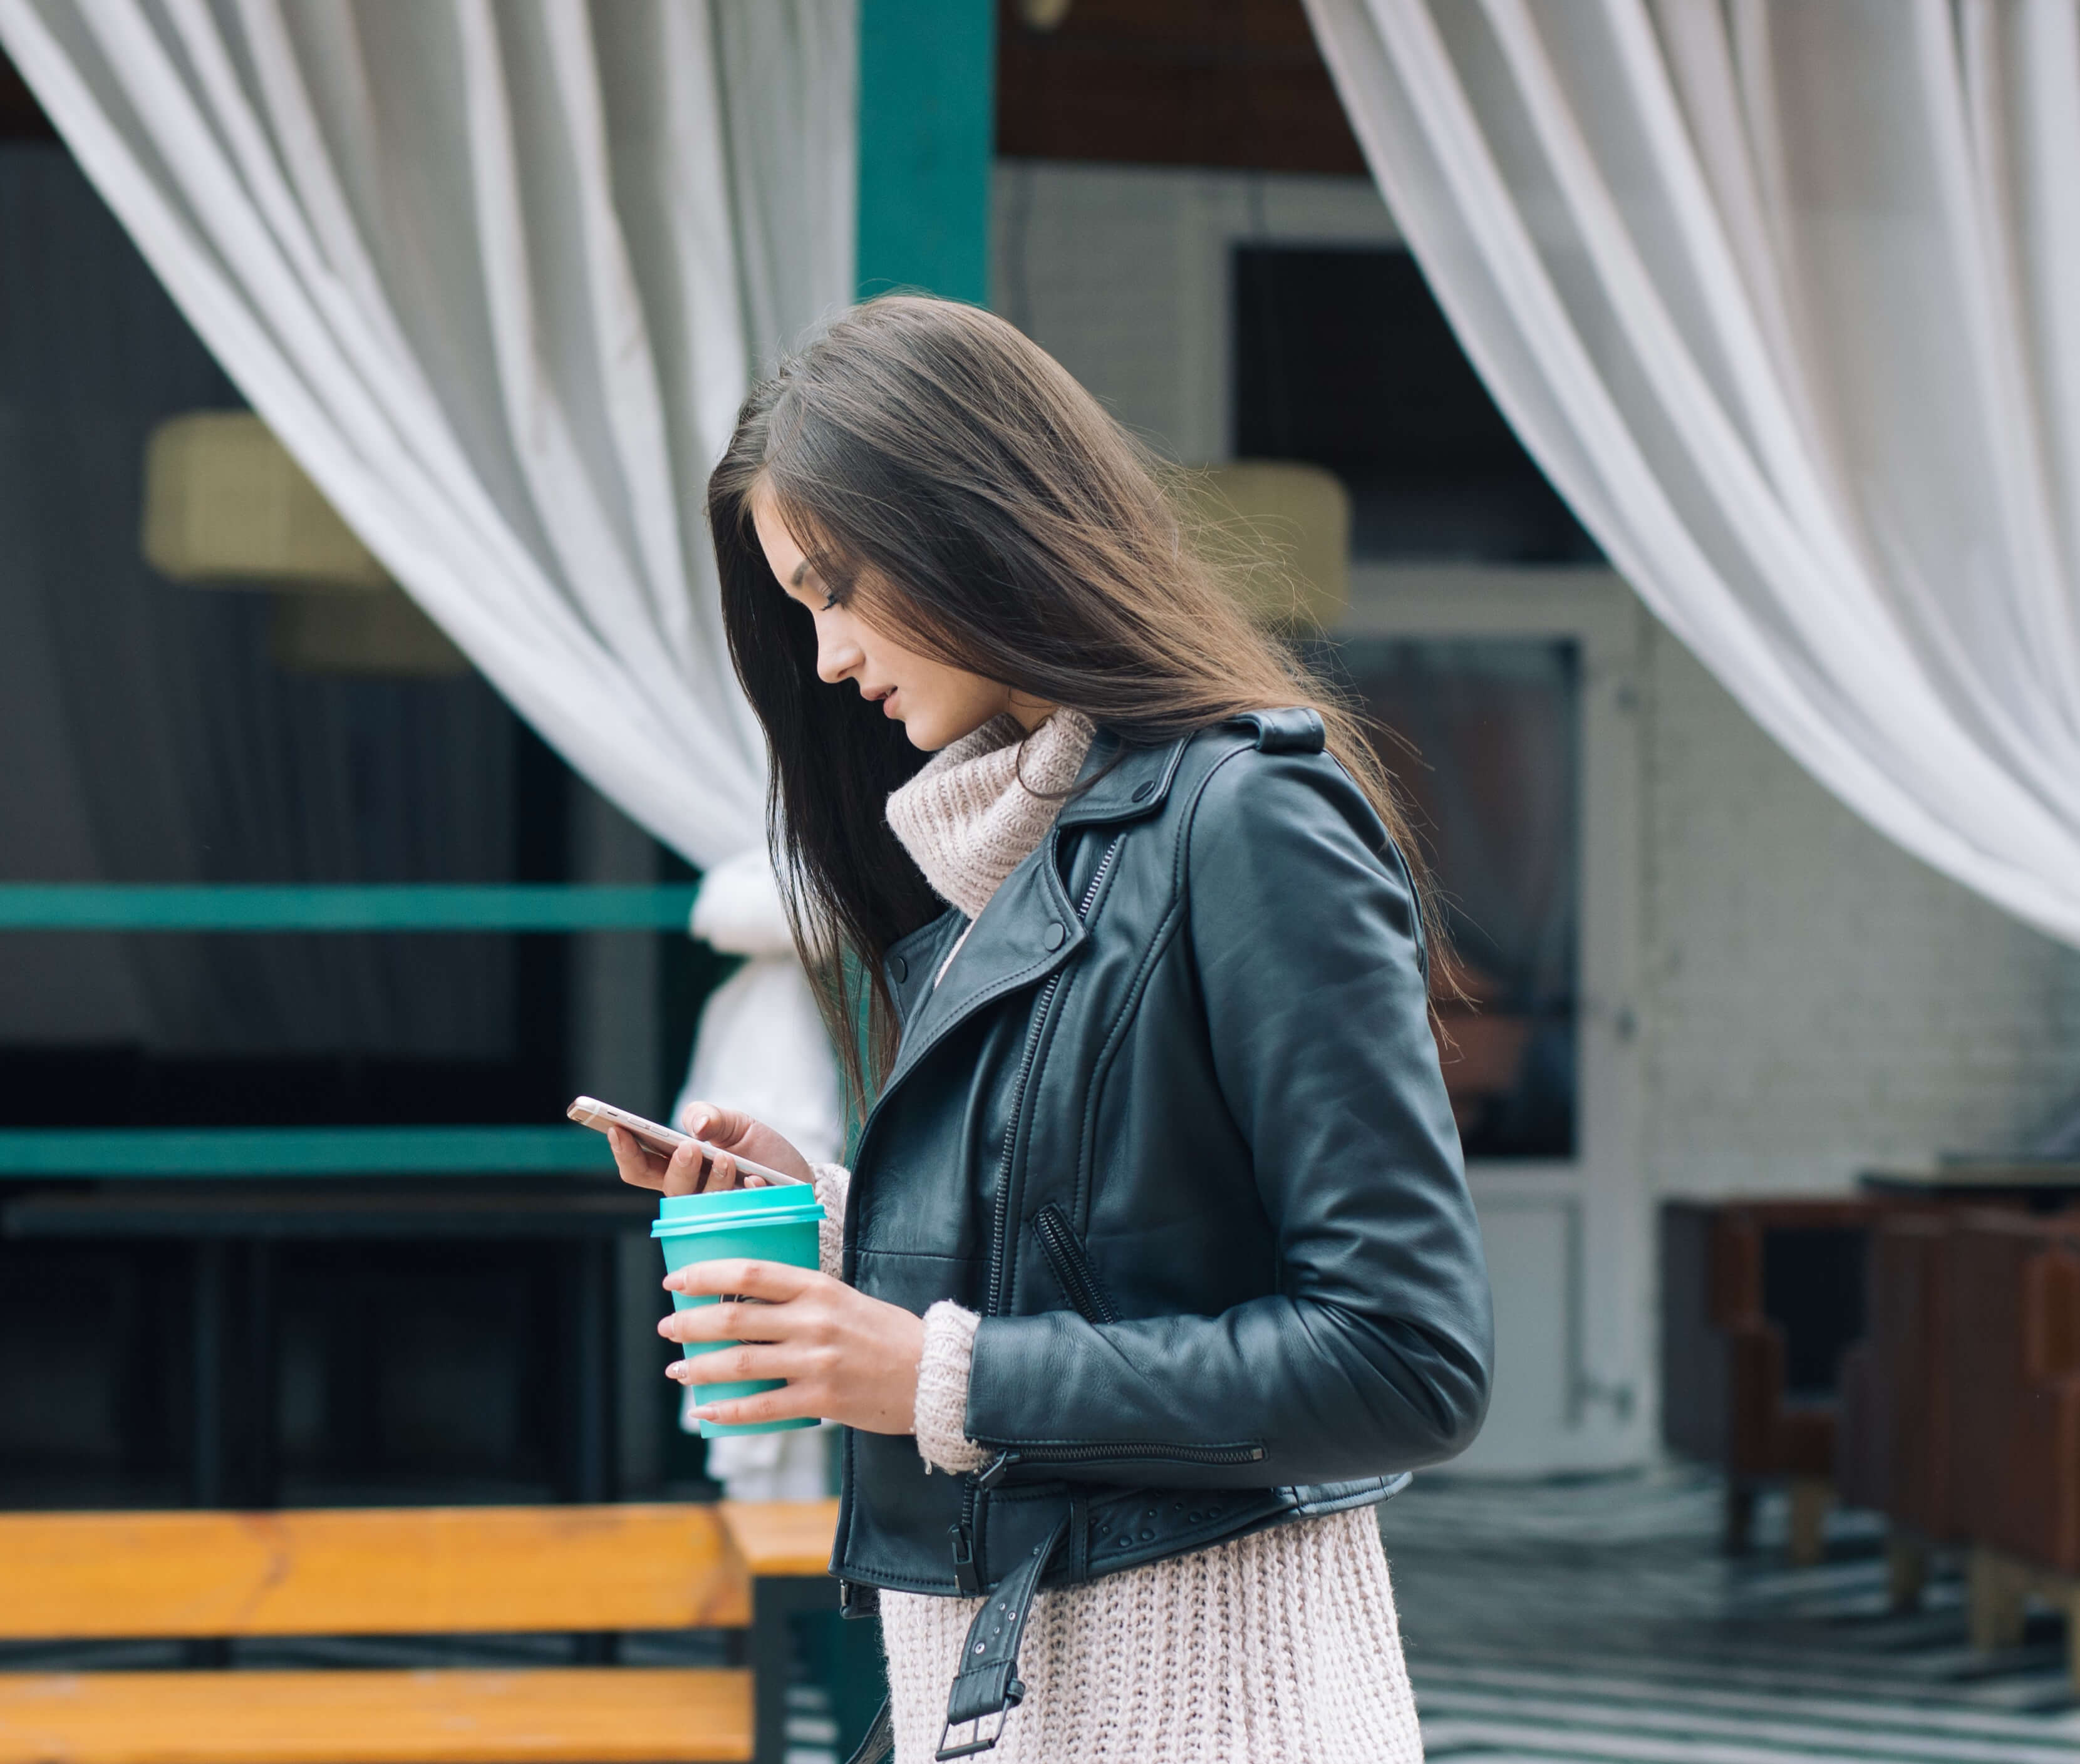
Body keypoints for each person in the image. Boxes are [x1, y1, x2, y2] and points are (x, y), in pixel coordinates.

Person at [607, 295, 1492, 1764]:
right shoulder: (995, 854)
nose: (824, 656)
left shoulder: (1247, 819)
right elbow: (1112, 1247)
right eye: (799, 607)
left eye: (835, 587)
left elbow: (1404, 1356)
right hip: (1007, 1702)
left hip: (1216, 1717)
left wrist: (932, 1374)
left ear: (963, 518)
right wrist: (830, 1227)